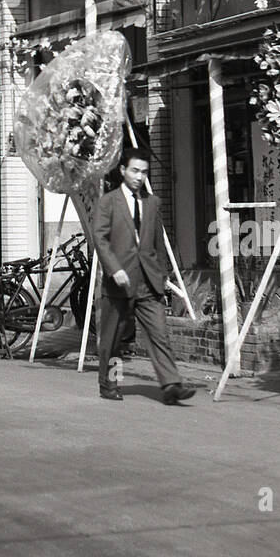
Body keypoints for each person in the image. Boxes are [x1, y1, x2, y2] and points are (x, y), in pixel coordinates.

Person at [91, 150, 195, 405]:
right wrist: (114, 269)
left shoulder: (152, 203)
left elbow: (157, 242)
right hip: (119, 281)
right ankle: (110, 383)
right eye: (135, 171)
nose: (139, 177)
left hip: (148, 282)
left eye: (144, 172)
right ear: (123, 171)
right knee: (113, 339)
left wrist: (162, 275)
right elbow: (100, 239)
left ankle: (171, 384)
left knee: (159, 333)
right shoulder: (108, 202)